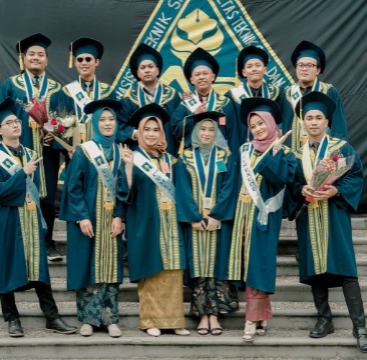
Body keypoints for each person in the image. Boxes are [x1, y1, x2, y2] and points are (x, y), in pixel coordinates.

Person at [289, 91, 367, 353]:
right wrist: (300, 190)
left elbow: (355, 175)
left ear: (326, 121)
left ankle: (361, 327)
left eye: (318, 117)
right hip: (309, 216)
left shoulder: (339, 149)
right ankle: (325, 320)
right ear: (303, 122)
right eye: (308, 117)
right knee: (316, 271)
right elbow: (291, 184)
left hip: (334, 213)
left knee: (345, 269)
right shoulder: (296, 154)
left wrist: (337, 190)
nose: (313, 122)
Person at [0, 97, 77, 337]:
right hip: (8, 219)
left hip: (31, 220)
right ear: (0, 129)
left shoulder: (31, 152)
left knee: (40, 269)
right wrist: (21, 174)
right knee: (5, 267)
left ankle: (52, 316)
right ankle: (12, 318)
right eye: (10, 122)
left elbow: (39, 191)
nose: (16, 125)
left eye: (17, 121)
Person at [227, 98, 296, 342]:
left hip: (265, 213)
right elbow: (235, 181)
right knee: (249, 264)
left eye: (261, 123)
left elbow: (281, 179)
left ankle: (251, 319)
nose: (257, 128)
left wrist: (274, 153)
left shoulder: (285, 152)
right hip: (242, 215)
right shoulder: (245, 150)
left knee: (260, 263)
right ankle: (262, 313)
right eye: (253, 125)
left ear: (271, 122)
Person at [117, 103, 189, 337]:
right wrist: (128, 168)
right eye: (146, 129)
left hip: (170, 224)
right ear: (138, 131)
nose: (151, 133)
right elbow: (125, 195)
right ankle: (150, 321)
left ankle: (175, 320)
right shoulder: (132, 158)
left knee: (172, 269)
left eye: (156, 129)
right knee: (152, 271)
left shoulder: (171, 160)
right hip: (146, 223)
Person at [59, 98, 124, 338]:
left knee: (109, 267)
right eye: (103, 120)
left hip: (111, 219)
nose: (108, 124)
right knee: (88, 267)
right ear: (95, 123)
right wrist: (81, 217)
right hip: (89, 219)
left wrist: (120, 216)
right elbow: (73, 187)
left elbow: (124, 189)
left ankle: (110, 319)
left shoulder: (121, 151)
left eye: (111, 119)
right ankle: (87, 319)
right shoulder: (85, 151)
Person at [0, 33, 64, 261]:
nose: (36, 58)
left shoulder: (57, 89)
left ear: (46, 59)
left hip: (45, 153)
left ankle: (47, 243)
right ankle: (21, 242)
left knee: (46, 197)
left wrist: (55, 135)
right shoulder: (11, 85)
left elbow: (66, 123)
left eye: (41, 54)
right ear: (24, 59)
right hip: (17, 151)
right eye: (31, 54)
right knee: (19, 193)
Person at [175, 111, 238, 336]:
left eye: (211, 129)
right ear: (195, 131)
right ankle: (203, 314)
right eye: (203, 129)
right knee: (199, 267)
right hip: (195, 223)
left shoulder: (225, 156)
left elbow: (229, 187)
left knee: (216, 265)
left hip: (217, 222)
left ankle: (215, 315)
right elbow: (181, 190)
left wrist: (216, 215)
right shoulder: (185, 158)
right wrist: (193, 217)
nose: (207, 133)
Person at [280, 40, 348, 151]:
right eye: (301, 65)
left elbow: (338, 128)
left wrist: (338, 154)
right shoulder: (286, 94)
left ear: (318, 70)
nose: (304, 69)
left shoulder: (329, 91)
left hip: (322, 156)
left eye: (309, 65)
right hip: (292, 157)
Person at [171, 47, 239, 156]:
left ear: (213, 77)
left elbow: (233, 135)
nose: (201, 77)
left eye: (205, 73)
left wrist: (233, 160)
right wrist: (193, 116)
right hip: (193, 159)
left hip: (220, 158)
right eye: (197, 75)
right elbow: (176, 130)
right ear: (191, 80)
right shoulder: (186, 105)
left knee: (221, 171)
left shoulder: (225, 103)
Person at [119, 43, 181, 155]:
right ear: (137, 73)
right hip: (140, 159)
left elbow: (179, 126)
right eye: (142, 68)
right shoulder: (129, 99)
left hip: (168, 154)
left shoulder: (172, 96)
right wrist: (136, 133)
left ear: (158, 70)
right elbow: (120, 126)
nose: (147, 70)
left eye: (150, 66)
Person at [61, 37, 116, 142]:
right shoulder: (66, 92)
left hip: (101, 150)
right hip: (75, 150)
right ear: (75, 63)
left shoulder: (108, 92)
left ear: (97, 62)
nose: (84, 63)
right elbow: (60, 125)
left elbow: (115, 125)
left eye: (88, 59)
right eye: (80, 59)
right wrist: (68, 147)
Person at [225, 46, 283, 144]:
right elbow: (230, 128)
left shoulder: (277, 93)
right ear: (243, 72)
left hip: (273, 147)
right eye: (249, 66)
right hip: (244, 149)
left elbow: (283, 122)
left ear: (265, 69)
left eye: (257, 65)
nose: (254, 69)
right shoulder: (232, 97)